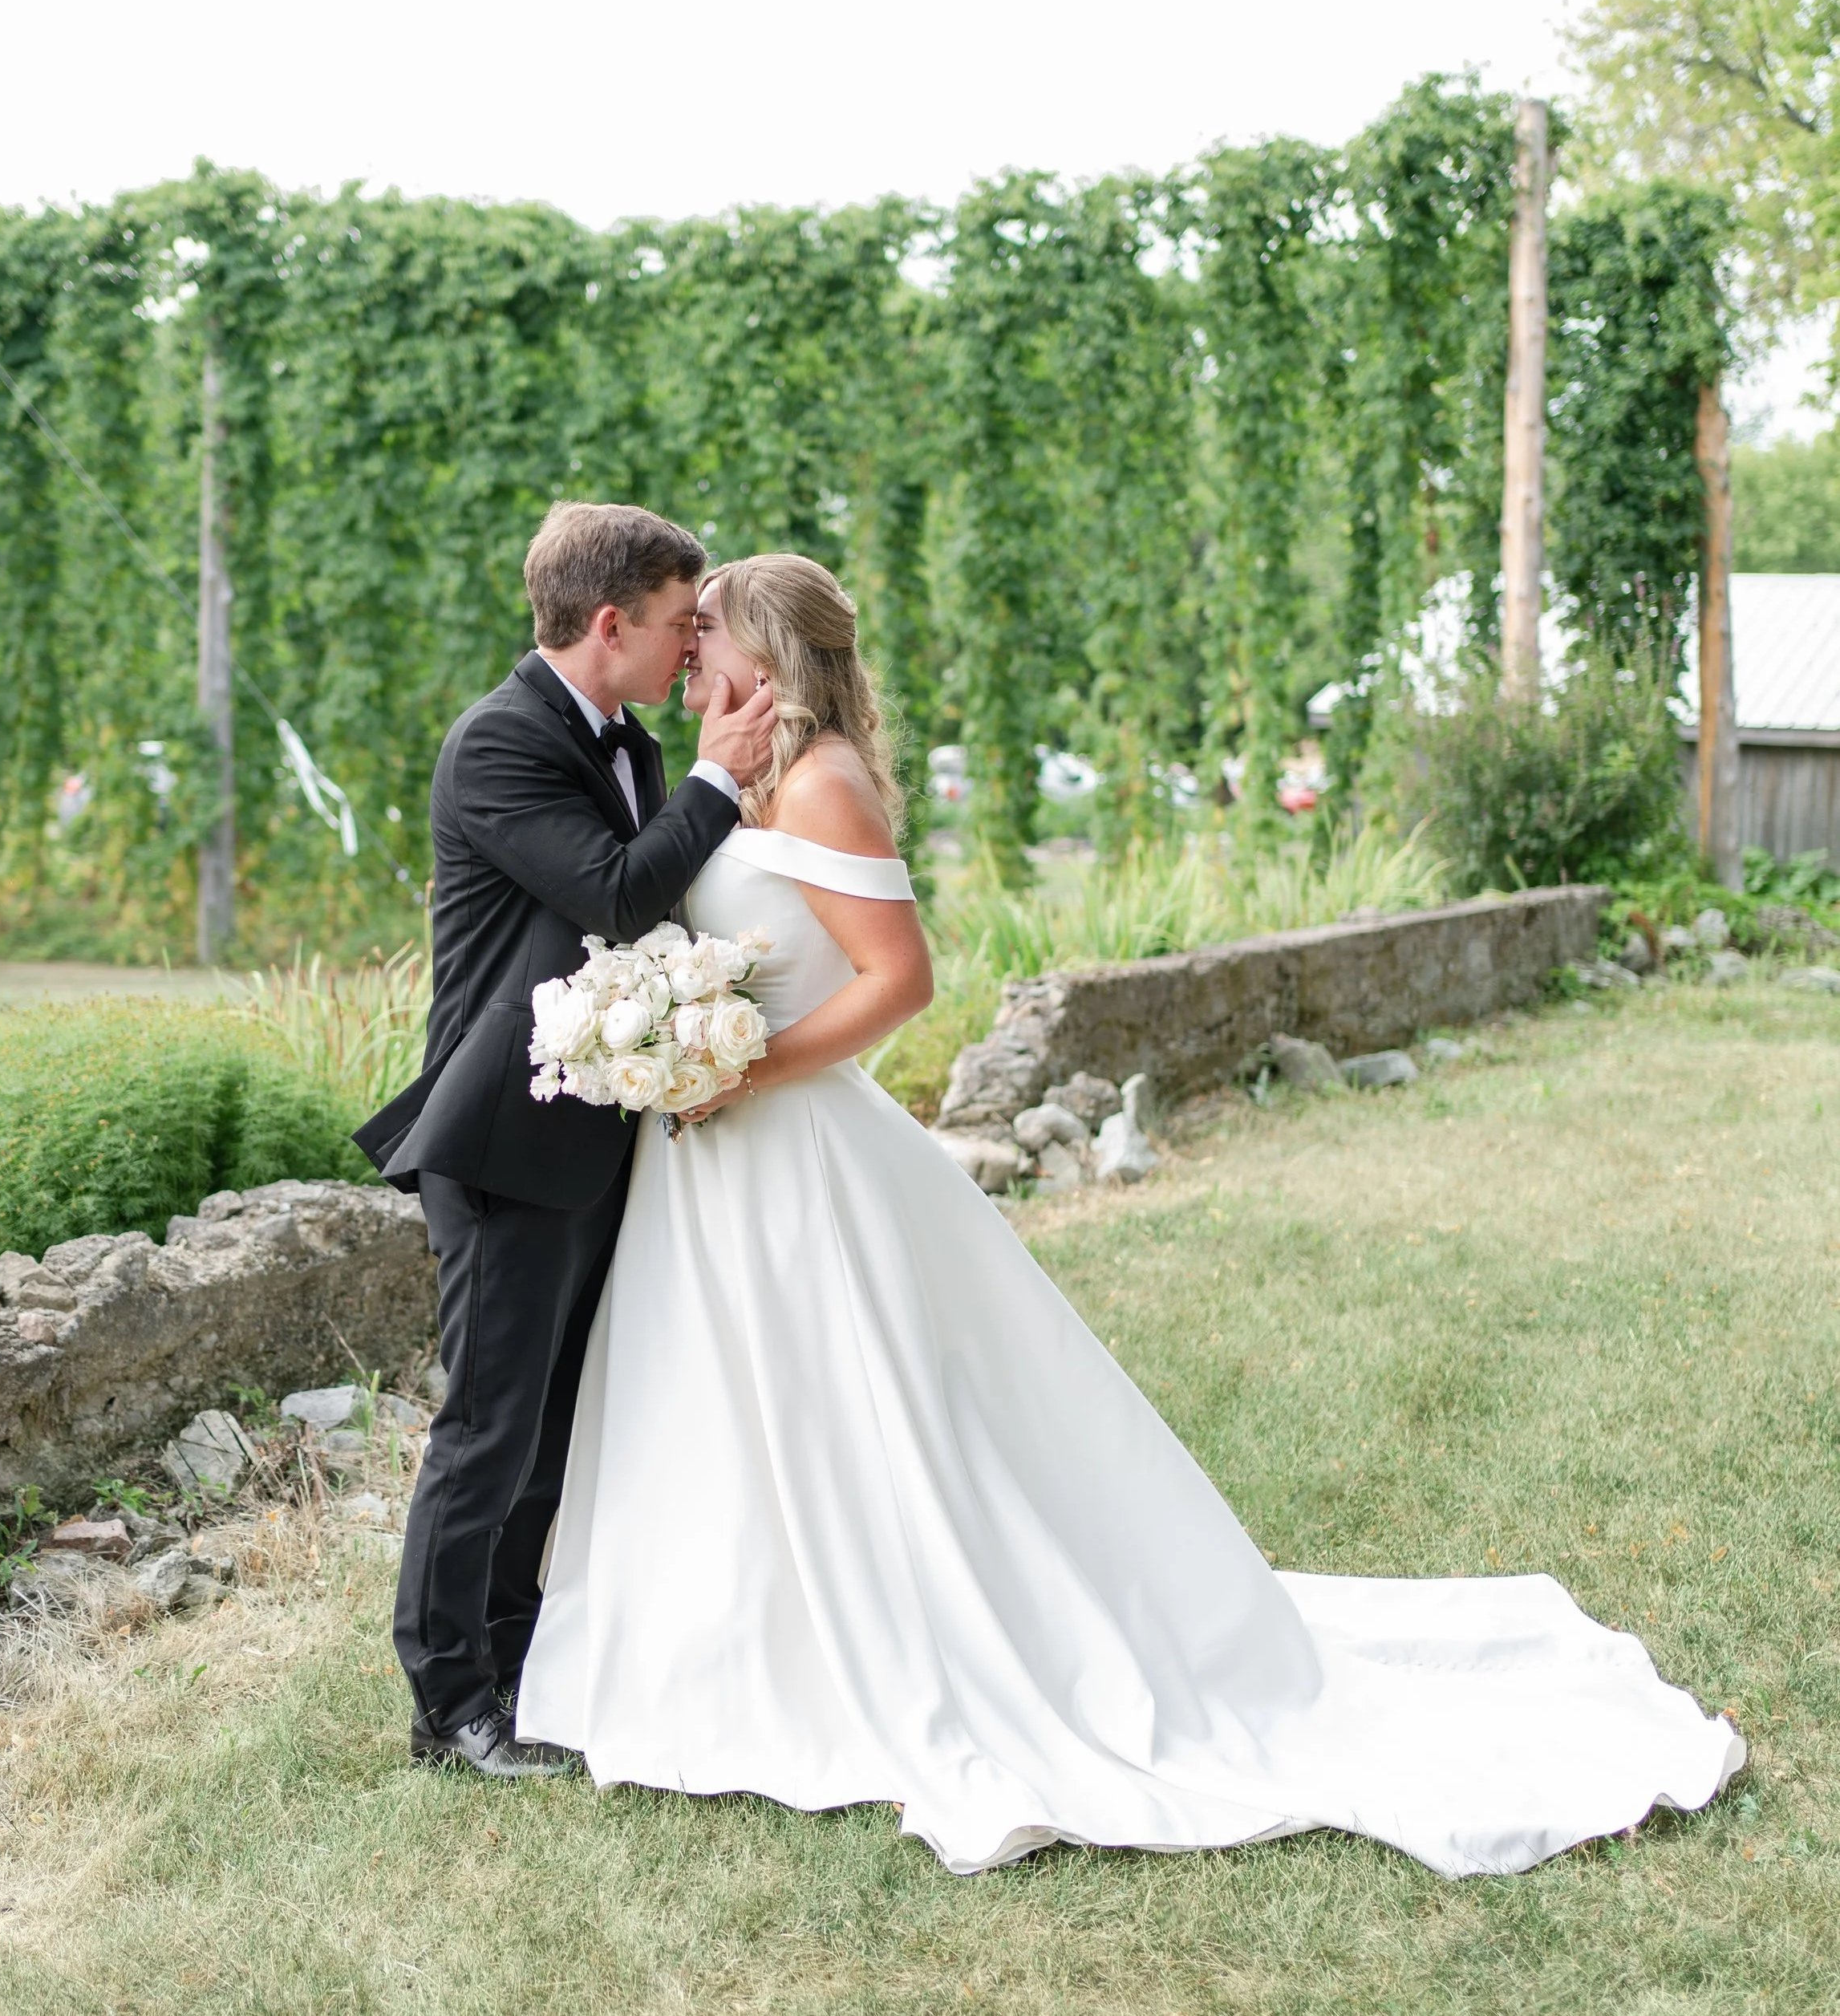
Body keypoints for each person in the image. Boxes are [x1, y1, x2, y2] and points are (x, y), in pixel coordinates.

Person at [515, 551, 1745, 1876]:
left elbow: (901, 980)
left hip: (793, 1148)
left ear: (770, 654)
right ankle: (731, 1658)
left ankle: (890, 1656)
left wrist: (749, 1064)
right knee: (727, 1408)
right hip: (706, 1165)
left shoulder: (823, 784)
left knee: (861, 1421)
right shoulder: (730, 773)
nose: (687, 650)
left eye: (707, 632)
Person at [354, 501, 774, 1777]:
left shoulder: (630, 741)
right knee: (487, 1424)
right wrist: (719, 777)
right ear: (609, 624)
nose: (690, 646)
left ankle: (522, 1656)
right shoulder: (499, 743)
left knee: (553, 1424)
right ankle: (448, 1706)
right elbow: (612, 888)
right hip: (498, 1143)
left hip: (595, 1134)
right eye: (677, 624)